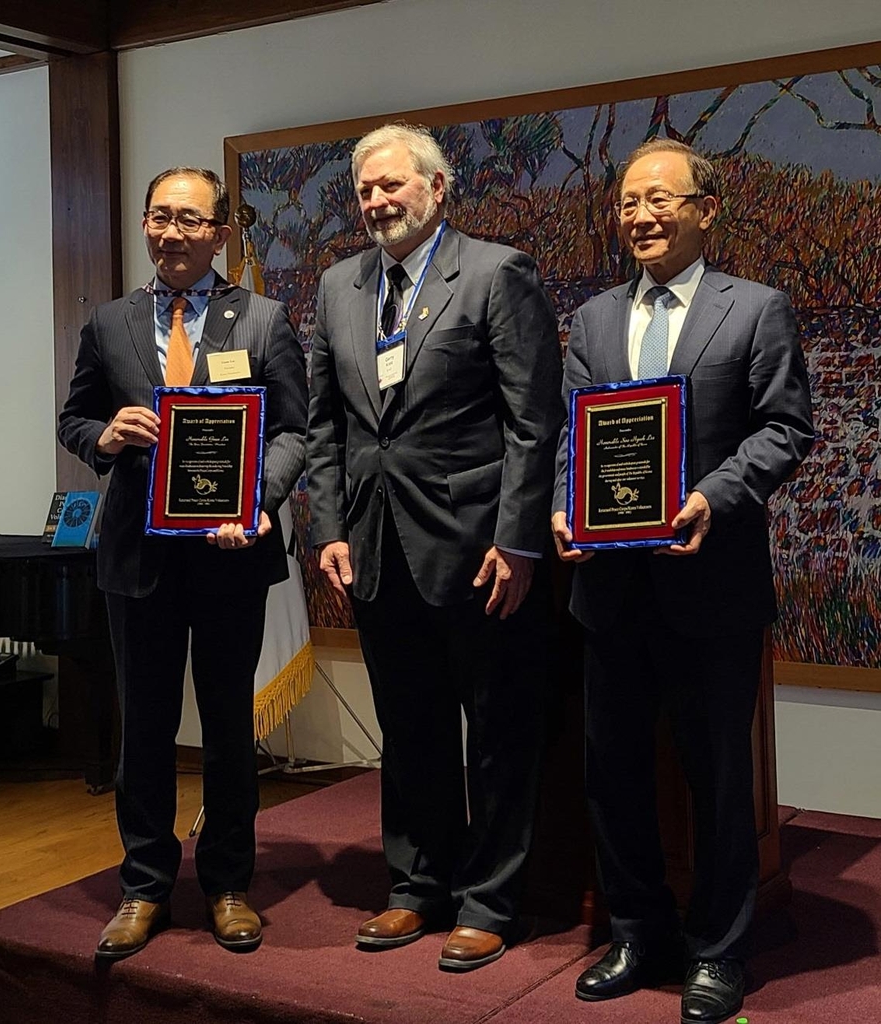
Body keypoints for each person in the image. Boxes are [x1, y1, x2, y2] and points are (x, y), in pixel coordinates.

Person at [551, 140, 813, 1024]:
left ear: (708, 209)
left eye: (659, 200)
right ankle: (635, 930)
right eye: (627, 203)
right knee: (615, 770)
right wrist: (562, 506)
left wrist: (711, 496)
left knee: (717, 778)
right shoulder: (590, 321)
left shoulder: (757, 310)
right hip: (611, 593)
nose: (641, 217)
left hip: (714, 591)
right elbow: (570, 439)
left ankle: (719, 949)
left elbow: (785, 429)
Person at [307, 123, 562, 970]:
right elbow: (326, 427)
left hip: (481, 550)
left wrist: (520, 541)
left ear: (437, 188)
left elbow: (533, 420)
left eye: (392, 186)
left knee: (495, 731)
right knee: (408, 727)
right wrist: (330, 529)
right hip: (376, 546)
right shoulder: (339, 286)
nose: (377, 202)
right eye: (366, 190)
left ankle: (490, 900)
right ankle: (415, 887)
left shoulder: (497, 272)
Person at [58, 167, 307, 960]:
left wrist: (258, 501)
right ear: (143, 224)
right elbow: (74, 419)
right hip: (137, 559)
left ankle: (229, 884)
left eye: (189, 220)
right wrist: (105, 435)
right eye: (159, 218)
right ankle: (144, 886)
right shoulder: (110, 322)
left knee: (230, 726)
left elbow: (295, 432)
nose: (172, 233)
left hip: (230, 558)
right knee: (147, 729)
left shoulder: (265, 320)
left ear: (220, 232)